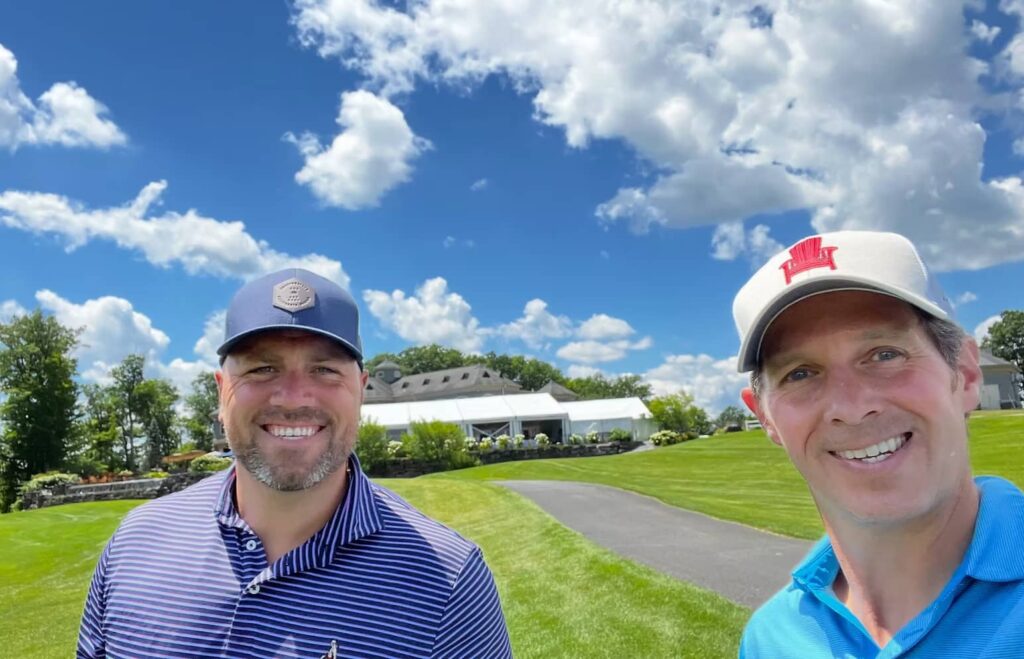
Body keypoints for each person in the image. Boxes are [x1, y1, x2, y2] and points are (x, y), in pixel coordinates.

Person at [77, 269, 512, 659]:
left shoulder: (448, 581)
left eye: (324, 370)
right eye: (262, 368)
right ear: (221, 391)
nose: (292, 397)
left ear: (361, 391)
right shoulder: (134, 543)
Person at [734, 231, 1024, 658]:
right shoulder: (770, 639)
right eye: (800, 374)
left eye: (885, 354)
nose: (851, 408)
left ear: (965, 374)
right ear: (765, 418)